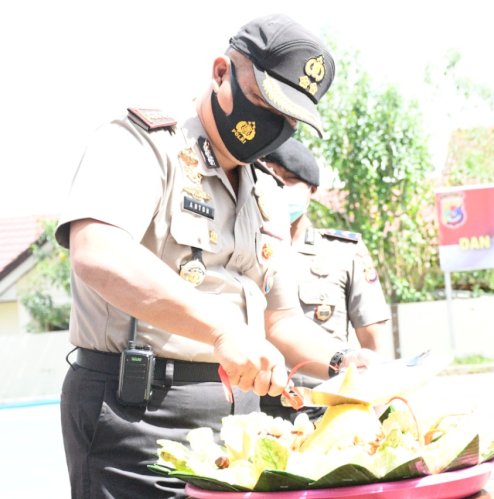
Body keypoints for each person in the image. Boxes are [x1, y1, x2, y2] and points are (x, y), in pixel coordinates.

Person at [55, 14, 382, 498]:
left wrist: (342, 360)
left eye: (290, 119)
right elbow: (97, 250)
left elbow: (281, 321)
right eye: (266, 103)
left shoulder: (265, 189)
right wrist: (222, 330)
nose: (274, 127)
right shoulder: (145, 144)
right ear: (221, 73)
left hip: (239, 424)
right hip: (139, 415)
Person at [257, 138, 392, 421]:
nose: (280, 188)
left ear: (312, 190)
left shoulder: (343, 252)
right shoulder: (245, 247)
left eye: (290, 180)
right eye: (272, 178)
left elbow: (375, 342)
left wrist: (379, 417)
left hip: (326, 411)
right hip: (256, 410)